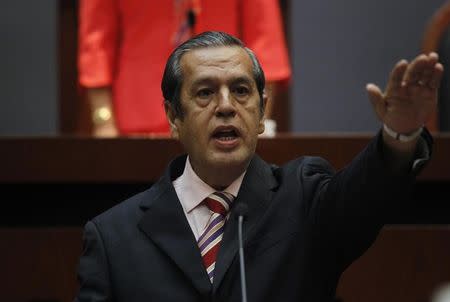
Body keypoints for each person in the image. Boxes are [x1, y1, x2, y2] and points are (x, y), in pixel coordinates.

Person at [74, 31, 443, 301]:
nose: (225, 106)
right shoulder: (114, 237)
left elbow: (367, 196)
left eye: (241, 90)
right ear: (174, 116)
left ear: (261, 108)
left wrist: (398, 134)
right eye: (205, 93)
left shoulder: (304, 197)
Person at [78, 0, 291, 137]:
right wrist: (104, 123)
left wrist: (258, 124)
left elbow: (265, 43)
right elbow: (97, 44)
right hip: (137, 123)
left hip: (226, 120)